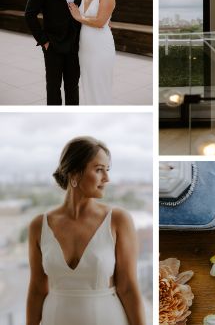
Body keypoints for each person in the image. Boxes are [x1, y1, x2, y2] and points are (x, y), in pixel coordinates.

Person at [26, 137, 142, 324]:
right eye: (98, 170)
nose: (107, 178)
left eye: (107, 170)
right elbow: (37, 289)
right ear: (75, 174)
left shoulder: (118, 220)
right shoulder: (39, 225)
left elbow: (127, 287)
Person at [24, 0, 85, 105]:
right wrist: (44, 41)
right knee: (53, 88)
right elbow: (29, 15)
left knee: (73, 88)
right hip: (53, 46)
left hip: (74, 45)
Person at [67, 0, 117, 105]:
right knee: (89, 87)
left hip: (101, 47)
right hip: (85, 48)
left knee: (100, 87)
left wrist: (79, 17)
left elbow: (101, 22)